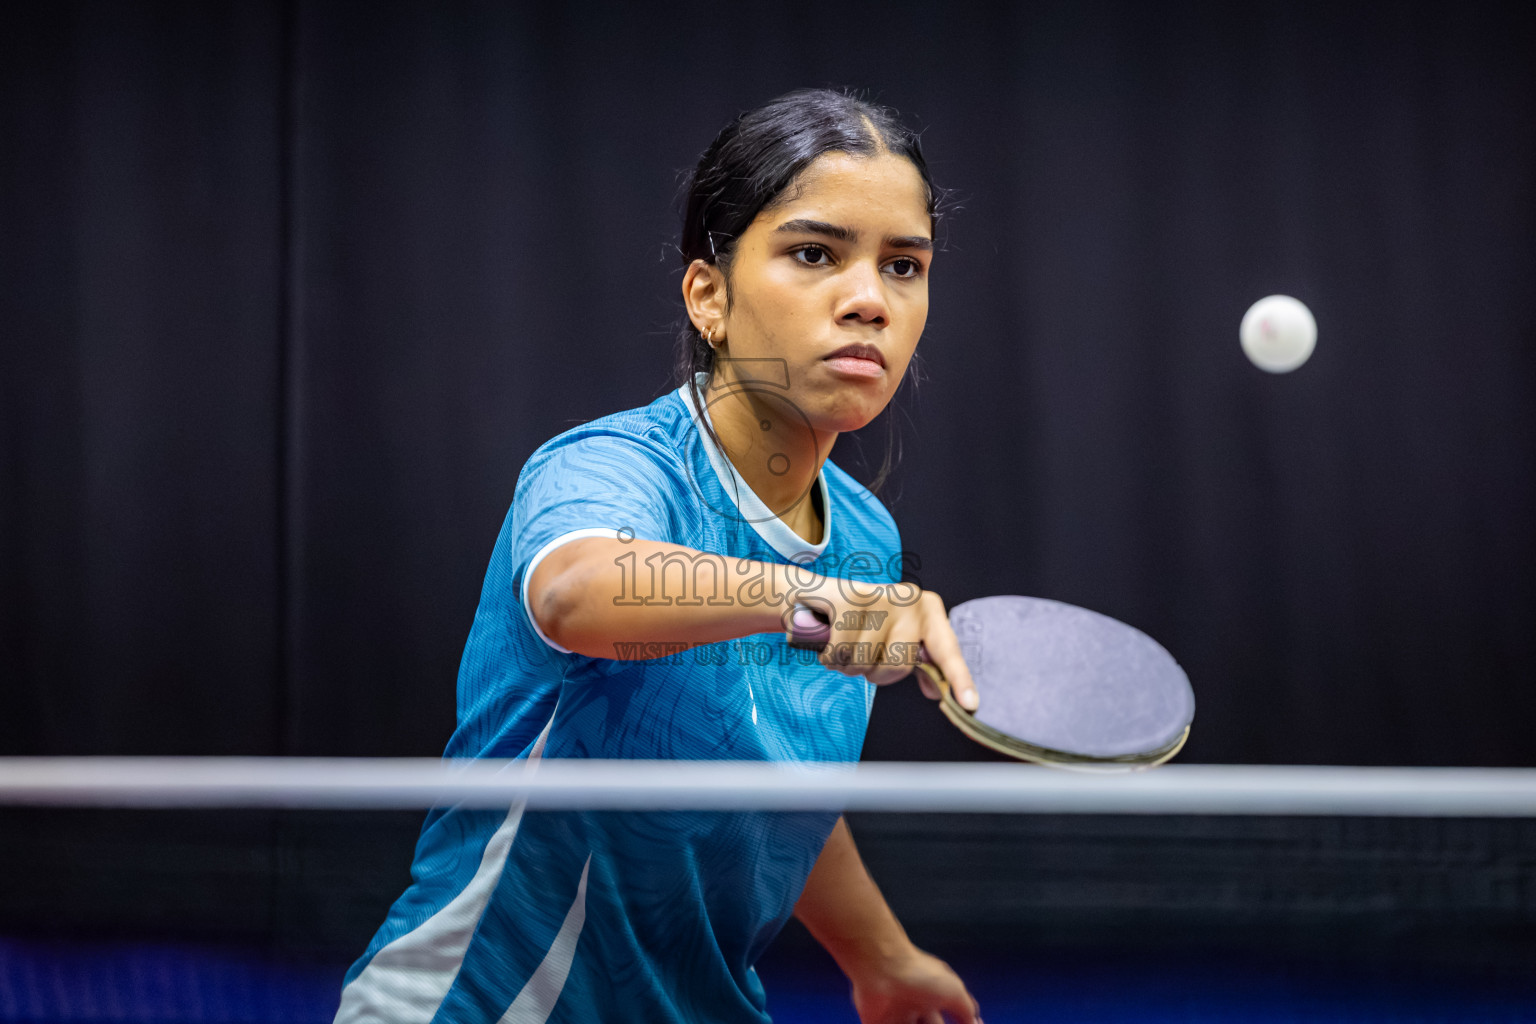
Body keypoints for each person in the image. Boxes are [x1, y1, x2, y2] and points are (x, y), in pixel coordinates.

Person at [334, 88, 983, 1024]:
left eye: (904, 266)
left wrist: (883, 958)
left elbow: (773, 778)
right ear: (709, 296)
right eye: (814, 254)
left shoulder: (865, 538)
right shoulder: (611, 469)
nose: (869, 301)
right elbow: (576, 594)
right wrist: (817, 601)